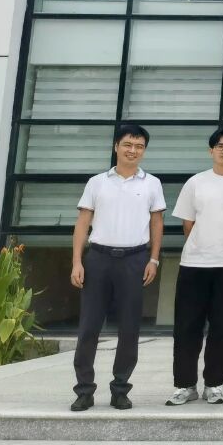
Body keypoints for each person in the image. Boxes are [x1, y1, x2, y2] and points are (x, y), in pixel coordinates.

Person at [69, 123, 164, 411]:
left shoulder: (152, 183)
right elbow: (83, 223)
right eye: (128, 145)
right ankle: (84, 390)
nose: (133, 150)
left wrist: (154, 259)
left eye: (139, 146)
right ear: (116, 147)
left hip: (135, 259)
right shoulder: (97, 182)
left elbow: (157, 223)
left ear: (144, 150)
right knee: (89, 327)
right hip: (98, 259)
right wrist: (77, 261)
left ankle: (120, 389)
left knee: (129, 327)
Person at [167, 127, 223, 406]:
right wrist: (201, 247)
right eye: (219, 146)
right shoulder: (196, 182)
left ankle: (214, 385)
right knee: (187, 326)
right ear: (211, 150)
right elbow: (188, 223)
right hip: (194, 263)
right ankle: (185, 385)